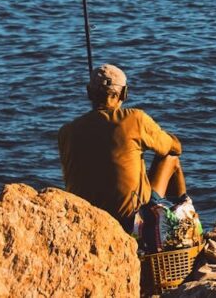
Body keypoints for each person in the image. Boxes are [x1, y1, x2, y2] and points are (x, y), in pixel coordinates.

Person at [58, 63, 188, 233]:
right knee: (171, 158)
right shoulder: (134, 119)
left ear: (89, 92)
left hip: (87, 220)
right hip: (132, 221)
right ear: (124, 94)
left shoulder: (66, 131)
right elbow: (174, 148)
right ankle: (185, 226)